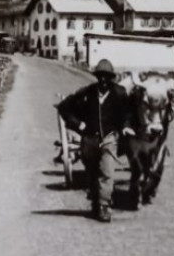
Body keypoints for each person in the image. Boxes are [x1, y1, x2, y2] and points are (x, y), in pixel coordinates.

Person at [55, 59, 134, 222]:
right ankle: (96, 202)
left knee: (107, 172)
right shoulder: (86, 93)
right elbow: (64, 107)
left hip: (109, 139)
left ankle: (105, 206)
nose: (104, 80)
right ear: (96, 77)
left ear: (112, 78)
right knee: (92, 173)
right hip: (89, 140)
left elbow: (128, 113)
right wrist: (79, 125)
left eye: (107, 77)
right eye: (100, 77)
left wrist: (125, 126)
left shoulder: (119, 93)